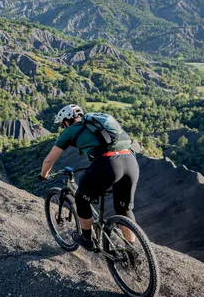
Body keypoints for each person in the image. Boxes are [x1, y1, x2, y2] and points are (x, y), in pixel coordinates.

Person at [38, 104, 139, 251]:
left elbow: (49, 160)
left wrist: (43, 175)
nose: (63, 126)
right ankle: (132, 251)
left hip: (107, 165)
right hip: (130, 162)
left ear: (66, 121)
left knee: (81, 199)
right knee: (123, 209)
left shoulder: (70, 130)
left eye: (63, 124)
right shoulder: (96, 125)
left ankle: (86, 239)